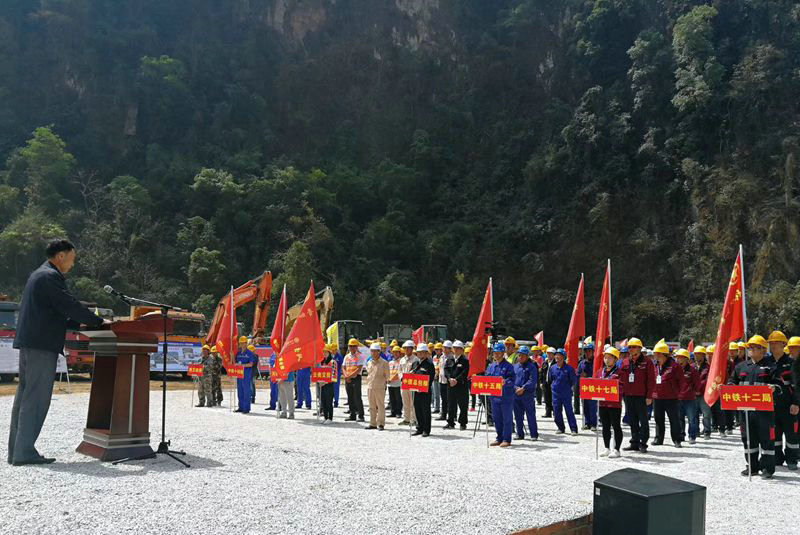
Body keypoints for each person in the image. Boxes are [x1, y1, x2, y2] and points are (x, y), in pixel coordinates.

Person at [8, 239, 105, 466]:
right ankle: (24, 453)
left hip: (31, 342)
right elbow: (68, 305)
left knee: (25, 397)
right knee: (36, 399)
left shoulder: (39, 275)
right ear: (61, 256)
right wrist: (98, 321)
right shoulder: (50, 277)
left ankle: (17, 451)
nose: (73, 263)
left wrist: (80, 323)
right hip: (41, 345)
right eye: (72, 258)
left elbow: (54, 313)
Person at [732, 335, 782, 479]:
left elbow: (780, 386)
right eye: (749, 347)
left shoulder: (772, 367)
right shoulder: (741, 367)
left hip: (764, 412)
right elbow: (732, 382)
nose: (751, 350)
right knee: (748, 439)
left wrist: (774, 387)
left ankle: (767, 468)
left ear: (763, 350)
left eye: (754, 347)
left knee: (766, 440)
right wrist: (727, 387)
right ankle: (752, 467)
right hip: (745, 411)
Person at [616, 337, 654, 453]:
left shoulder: (647, 362)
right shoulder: (625, 362)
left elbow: (651, 380)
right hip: (628, 395)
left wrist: (649, 396)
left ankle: (643, 443)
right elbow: (620, 378)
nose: (631, 349)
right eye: (630, 347)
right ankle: (634, 442)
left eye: (633, 347)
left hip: (641, 396)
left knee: (643, 420)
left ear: (639, 348)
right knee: (632, 420)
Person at [768, 331, 798, 470]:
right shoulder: (766, 363)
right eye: (771, 343)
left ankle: (792, 460)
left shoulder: (792, 363)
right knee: (774, 435)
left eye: (776, 343)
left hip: (788, 406)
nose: (773, 345)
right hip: (771, 406)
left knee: (791, 435)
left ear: (783, 344)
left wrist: (796, 403)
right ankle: (777, 458)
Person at [651, 341, 684, 447]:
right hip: (657, 397)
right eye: (655, 353)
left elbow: (681, 381)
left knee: (674, 419)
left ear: (664, 354)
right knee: (658, 419)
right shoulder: (654, 365)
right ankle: (658, 439)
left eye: (657, 353)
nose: (655, 356)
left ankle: (677, 439)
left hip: (671, 398)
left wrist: (677, 393)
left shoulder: (675, 366)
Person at [487, 342, 516, 447]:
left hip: (505, 397)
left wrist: (505, 382)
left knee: (506, 419)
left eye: (499, 353)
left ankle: (506, 439)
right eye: (495, 352)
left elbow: (512, 380)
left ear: (503, 353)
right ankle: (499, 438)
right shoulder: (491, 366)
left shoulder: (508, 366)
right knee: (497, 418)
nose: (496, 354)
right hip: (494, 397)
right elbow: (487, 378)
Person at [597, 347, 623, 457]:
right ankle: (607, 448)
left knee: (616, 426)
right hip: (603, 403)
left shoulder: (620, 372)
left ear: (615, 359)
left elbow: (622, 387)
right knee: (605, 426)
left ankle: (616, 449)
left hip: (614, 404)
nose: (607, 360)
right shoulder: (600, 372)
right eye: (605, 357)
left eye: (609, 358)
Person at [549, 348, 578, 435]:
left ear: (563, 357)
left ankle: (573, 429)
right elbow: (551, 379)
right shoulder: (552, 368)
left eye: (559, 356)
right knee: (556, 411)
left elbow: (573, 380)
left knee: (569, 411)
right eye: (556, 355)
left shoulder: (569, 369)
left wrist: (567, 387)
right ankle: (560, 428)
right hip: (555, 394)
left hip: (566, 393)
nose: (557, 357)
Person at [513, 346, 539, 441]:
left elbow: (533, 380)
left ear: (527, 356)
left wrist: (523, 388)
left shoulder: (532, 367)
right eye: (519, 355)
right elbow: (511, 379)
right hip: (516, 394)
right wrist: (515, 388)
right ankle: (519, 434)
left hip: (527, 394)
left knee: (530, 415)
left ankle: (534, 434)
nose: (520, 357)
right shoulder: (515, 366)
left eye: (523, 355)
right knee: (518, 415)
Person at [675, 349, 700, 444]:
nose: (678, 359)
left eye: (680, 357)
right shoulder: (675, 370)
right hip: (678, 398)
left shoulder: (692, 370)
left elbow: (697, 383)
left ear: (686, 359)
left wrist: (693, 391)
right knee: (679, 419)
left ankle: (692, 436)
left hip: (690, 399)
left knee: (691, 419)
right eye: (677, 357)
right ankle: (681, 435)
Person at [694, 347, 719, 439]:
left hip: (704, 394)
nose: (697, 356)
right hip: (693, 395)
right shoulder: (692, 366)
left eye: (699, 354)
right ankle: (696, 432)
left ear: (703, 356)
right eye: (696, 354)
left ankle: (707, 431)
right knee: (694, 415)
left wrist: (698, 387)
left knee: (706, 414)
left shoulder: (708, 367)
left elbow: (707, 380)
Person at [443, 340, 469, 430]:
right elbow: (446, 370)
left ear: (462, 350)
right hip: (450, 385)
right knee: (451, 404)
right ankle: (450, 422)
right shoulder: (450, 359)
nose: (456, 350)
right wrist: (449, 378)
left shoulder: (465, 360)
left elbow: (465, 372)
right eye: (454, 348)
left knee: (463, 405)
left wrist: (456, 380)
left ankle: (463, 423)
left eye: (458, 348)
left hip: (461, 385)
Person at [411, 343, 436, 437]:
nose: (420, 354)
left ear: (426, 353)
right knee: (417, 409)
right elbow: (412, 375)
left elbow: (431, 378)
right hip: (416, 391)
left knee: (425, 410)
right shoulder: (415, 363)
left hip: (425, 391)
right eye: (419, 352)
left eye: (422, 352)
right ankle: (419, 428)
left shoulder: (429, 364)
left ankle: (426, 429)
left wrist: (424, 387)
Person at [365, 343, 389, 430]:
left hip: (380, 387)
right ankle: (372, 423)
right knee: (371, 406)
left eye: (375, 351)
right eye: (372, 351)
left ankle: (381, 423)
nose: (373, 353)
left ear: (379, 352)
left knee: (380, 406)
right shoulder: (369, 362)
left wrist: (384, 384)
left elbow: (387, 376)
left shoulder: (384, 363)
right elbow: (368, 374)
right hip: (370, 386)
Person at [342, 339, 365, 421]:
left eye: (353, 346)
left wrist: (349, 376)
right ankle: (352, 415)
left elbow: (359, 369)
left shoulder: (360, 356)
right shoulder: (347, 356)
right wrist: (346, 376)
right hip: (348, 378)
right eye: (350, 346)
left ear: (357, 347)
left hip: (356, 378)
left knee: (357, 397)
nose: (352, 348)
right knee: (350, 397)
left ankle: (361, 415)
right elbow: (343, 367)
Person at [577, 343, 597, 431]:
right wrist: (580, 375)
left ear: (593, 352)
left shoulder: (596, 362)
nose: (588, 353)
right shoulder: (582, 363)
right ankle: (587, 423)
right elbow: (577, 373)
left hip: (593, 387)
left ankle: (593, 424)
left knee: (592, 406)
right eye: (586, 351)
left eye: (589, 351)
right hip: (584, 388)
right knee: (585, 406)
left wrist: (589, 375)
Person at [234, 336, 256, 413]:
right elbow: (235, 362)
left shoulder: (249, 353)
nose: (242, 345)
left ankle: (246, 408)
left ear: (246, 343)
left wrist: (242, 365)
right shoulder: (238, 353)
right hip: (239, 375)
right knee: (240, 391)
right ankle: (241, 407)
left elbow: (251, 364)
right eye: (241, 343)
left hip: (246, 375)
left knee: (246, 391)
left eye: (243, 343)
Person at [399, 340, 418, 426]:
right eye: (405, 348)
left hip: (412, 383)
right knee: (405, 401)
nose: (406, 350)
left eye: (408, 348)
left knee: (412, 402)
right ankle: (406, 419)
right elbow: (399, 370)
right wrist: (401, 377)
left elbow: (415, 371)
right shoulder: (402, 359)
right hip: (404, 383)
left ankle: (414, 419)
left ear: (412, 349)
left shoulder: (416, 359)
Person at [437, 341, 454, 421]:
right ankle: (443, 414)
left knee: (450, 399)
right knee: (443, 399)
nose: (445, 349)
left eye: (447, 348)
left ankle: (453, 416)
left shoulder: (452, 358)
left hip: (448, 381)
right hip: (441, 380)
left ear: (450, 349)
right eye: (444, 348)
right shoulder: (441, 357)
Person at [319, 345, 337, 423]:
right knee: (323, 401)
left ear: (329, 353)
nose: (324, 354)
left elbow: (333, 374)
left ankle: (330, 418)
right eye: (323, 352)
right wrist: (320, 381)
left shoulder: (332, 362)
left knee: (329, 401)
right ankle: (325, 417)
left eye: (326, 352)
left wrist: (325, 382)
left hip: (329, 384)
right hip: (322, 384)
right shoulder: (322, 362)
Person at [387, 345, 403, 418]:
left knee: (398, 399)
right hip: (390, 383)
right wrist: (387, 379)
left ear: (399, 353)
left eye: (397, 352)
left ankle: (398, 412)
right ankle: (392, 412)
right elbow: (388, 372)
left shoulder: (401, 362)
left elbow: (398, 372)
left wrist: (391, 379)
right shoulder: (390, 362)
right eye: (394, 352)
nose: (395, 354)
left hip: (397, 383)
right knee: (391, 398)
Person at [541, 347, 555, 418]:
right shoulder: (545, 363)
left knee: (554, 398)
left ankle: (555, 412)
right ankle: (548, 412)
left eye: (550, 354)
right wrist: (541, 382)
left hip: (553, 383)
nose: (549, 355)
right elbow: (541, 373)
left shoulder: (556, 363)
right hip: (546, 383)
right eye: (548, 353)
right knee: (547, 398)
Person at [332, 344, 344, 408]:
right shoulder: (330, 356)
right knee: (330, 388)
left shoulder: (339, 357)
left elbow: (342, 365)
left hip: (337, 374)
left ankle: (336, 401)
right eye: (332, 350)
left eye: (334, 350)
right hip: (330, 374)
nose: (333, 351)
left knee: (336, 388)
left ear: (337, 350)